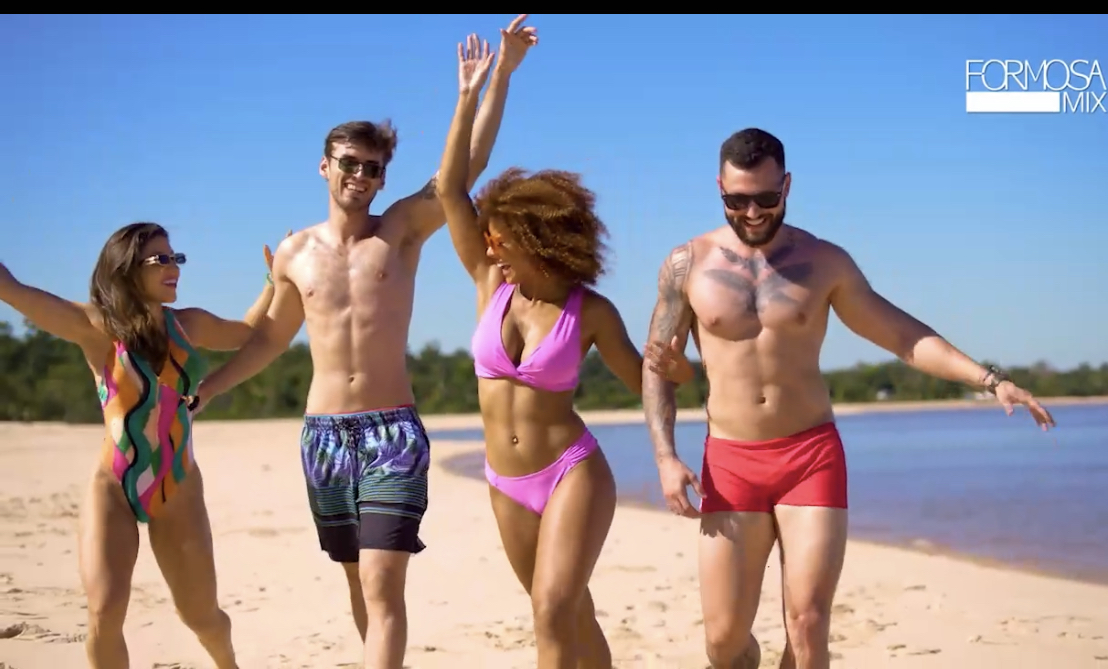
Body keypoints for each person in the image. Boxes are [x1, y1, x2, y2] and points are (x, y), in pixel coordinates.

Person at [641, 127, 1058, 669]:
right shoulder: (687, 264)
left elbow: (902, 336)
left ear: (787, 186)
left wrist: (990, 379)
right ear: (720, 188)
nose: (752, 213)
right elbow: (657, 367)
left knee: (808, 623)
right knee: (723, 644)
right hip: (730, 460)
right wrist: (665, 456)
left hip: (809, 456)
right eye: (737, 201)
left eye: (766, 198)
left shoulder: (825, 262)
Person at [186, 18, 533, 669]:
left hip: (391, 432)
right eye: (350, 164)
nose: (362, 175)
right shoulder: (294, 252)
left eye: (374, 168)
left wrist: (496, 79)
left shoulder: (399, 230)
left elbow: (465, 169)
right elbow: (269, 339)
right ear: (325, 166)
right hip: (323, 436)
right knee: (357, 582)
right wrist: (209, 388)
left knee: (381, 583)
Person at [433, 25, 694, 669]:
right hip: (505, 480)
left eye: (502, 240)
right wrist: (479, 89)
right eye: (489, 240)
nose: (491, 249)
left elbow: (648, 384)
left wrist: (683, 374)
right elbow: (448, 190)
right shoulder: (490, 282)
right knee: (569, 614)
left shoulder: (590, 312)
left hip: (571, 472)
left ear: (539, 240)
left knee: (552, 611)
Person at [0, 222, 279, 669]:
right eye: (160, 260)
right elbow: (13, 290)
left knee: (202, 616)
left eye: (175, 258)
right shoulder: (95, 327)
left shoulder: (188, 325)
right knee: (104, 611)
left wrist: (272, 281)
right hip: (113, 488)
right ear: (127, 268)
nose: (174, 268)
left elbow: (247, 330)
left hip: (178, 487)